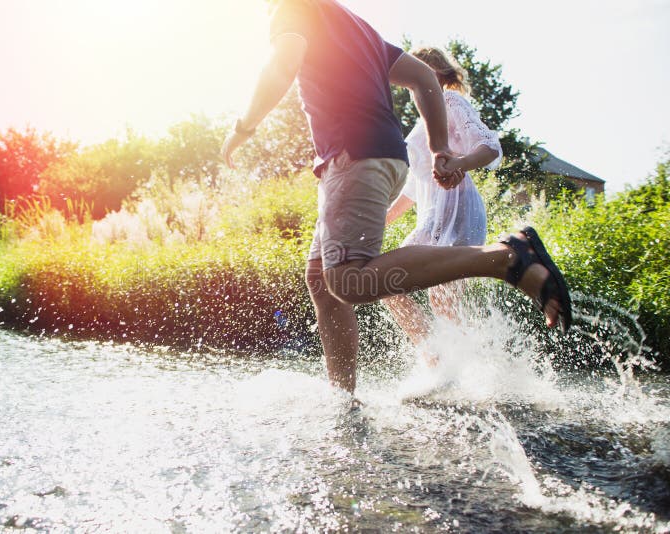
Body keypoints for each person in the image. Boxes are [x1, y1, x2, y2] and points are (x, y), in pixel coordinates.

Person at [221, 0, 571, 393]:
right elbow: (423, 77)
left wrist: (243, 127)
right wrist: (439, 147)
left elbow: (282, 65)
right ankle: (343, 397)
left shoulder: (293, 8)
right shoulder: (356, 27)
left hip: (352, 156)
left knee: (348, 282)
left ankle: (507, 256)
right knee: (322, 278)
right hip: (382, 157)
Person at [384, 47, 502, 365]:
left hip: (458, 209)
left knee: (443, 299)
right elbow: (412, 188)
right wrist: (382, 219)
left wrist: (461, 162)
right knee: (387, 283)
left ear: (430, 73)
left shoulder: (450, 101)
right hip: (431, 216)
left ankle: (463, 368)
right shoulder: (423, 123)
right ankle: (436, 357)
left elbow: (489, 146)